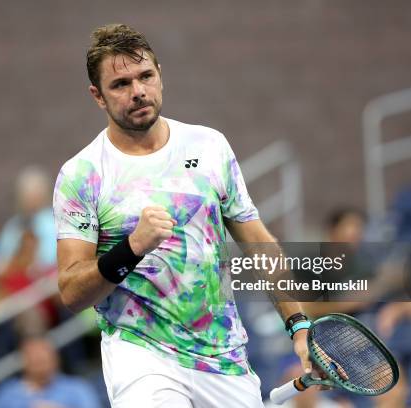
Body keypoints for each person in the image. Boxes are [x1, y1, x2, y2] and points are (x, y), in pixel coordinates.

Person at [53, 24, 316, 407]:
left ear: (160, 74)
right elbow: (72, 292)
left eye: (146, 76)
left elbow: (258, 242)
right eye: (120, 84)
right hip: (141, 355)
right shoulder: (82, 175)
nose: (138, 91)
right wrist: (131, 248)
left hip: (223, 356)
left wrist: (299, 326)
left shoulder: (210, 146)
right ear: (98, 96)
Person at [0, 337, 101, 408]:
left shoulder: (77, 389)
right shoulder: (6, 394)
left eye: (44, 360)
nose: (41, 366)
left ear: (56, 360)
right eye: (36, 360)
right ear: (24, 362)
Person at [0, 165, 58, 272]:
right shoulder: (13, 225)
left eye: (35, 194)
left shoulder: (55, 223)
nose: (30, 200)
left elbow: (50, 260)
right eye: (27, 194)